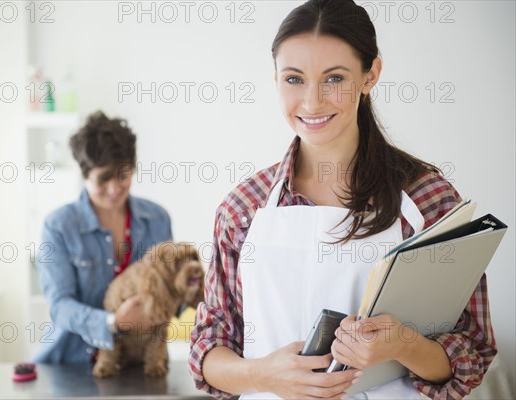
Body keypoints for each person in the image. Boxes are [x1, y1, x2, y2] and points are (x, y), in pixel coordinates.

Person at [188, 1, 496, 399]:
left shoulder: (428, 200)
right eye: (294, 79)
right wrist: (264, 376)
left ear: (371, 75)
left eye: (334, 78)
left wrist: (402, 344)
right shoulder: (243, 207)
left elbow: (470, 354)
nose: (312, 102)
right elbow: (210, 344)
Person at [33, 110, 173, 363]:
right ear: (85, 174)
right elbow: (60, 306)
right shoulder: (58, 227)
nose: (113, 188)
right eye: (103, 179)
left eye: (123, 176)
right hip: (72, 363)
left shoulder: (157, 220)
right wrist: (114, 322)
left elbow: (172, 287)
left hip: (137, 364)